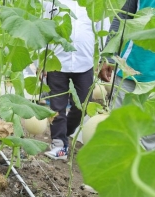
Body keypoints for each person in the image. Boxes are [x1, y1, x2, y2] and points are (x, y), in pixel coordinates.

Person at [42, 0, 110, 160]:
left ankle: (64, 133)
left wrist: (103, 60)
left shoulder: (95, 3)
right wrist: (42, 63)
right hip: (56, 62)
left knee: (82, 106)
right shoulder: (52, 2)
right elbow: (43, 30)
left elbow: (104, 33)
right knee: (57, 106)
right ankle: (59, 145)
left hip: (85, 63)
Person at [98, 0, 155, 150]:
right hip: (129, 71)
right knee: (119, 133)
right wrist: (108, 57)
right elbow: (122, 17)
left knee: (149, 141)